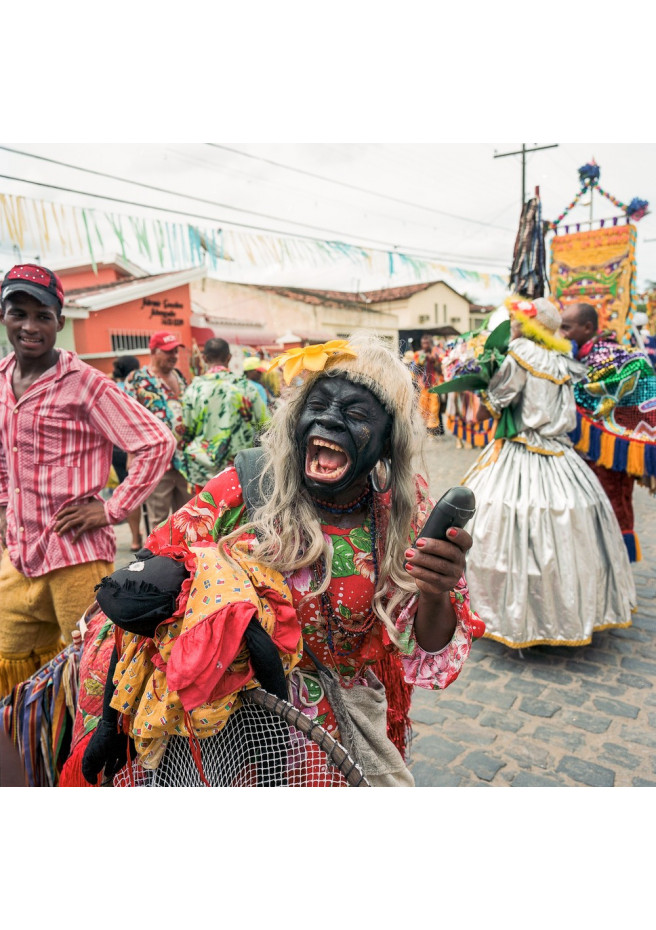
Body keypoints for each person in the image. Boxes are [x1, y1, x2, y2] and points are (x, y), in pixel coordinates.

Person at [80, 334, 482, 788]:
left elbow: (429, 643)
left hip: (346, 735)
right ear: (296, 417)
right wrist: (110, 724)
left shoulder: (403, 516)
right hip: (236, 733)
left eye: (354, 414)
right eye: (319, 405)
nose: (329, 419)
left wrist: (436, 590)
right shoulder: (241, 490)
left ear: (389, 440)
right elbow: (144, 589)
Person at [0, 264, 175, 697]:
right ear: (4, 315)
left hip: (74, 556)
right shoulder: (3, 379)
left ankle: (78, 761)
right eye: (18, 312)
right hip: (19, 555)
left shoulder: (85, 384)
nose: (29, 326)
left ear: (60, 321)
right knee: (12, 660)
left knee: (89, 672)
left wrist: (113, 508)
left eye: (43, 315)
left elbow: (157, 442)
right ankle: (31, 753)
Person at [462, 297, 636, 649]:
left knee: (497, 523)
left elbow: (488, 408)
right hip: (561, 458)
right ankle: (566, 613)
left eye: (517, 322)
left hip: (519, 452)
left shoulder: (520, 353)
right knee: (570, 533)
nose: (512, 326)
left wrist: (473, 391)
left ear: (530, 326)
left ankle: (509, 615)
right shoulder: (563, 362)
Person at [560, 302, 656, 561]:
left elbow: (640, 372)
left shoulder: (616, 355)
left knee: (615, 505)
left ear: (588, 327)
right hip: (582, 454)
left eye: (567, 327)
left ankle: (616, 566)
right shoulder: (574, 356)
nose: (562, 333)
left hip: (614, 453)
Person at [179, 338, 270, 491]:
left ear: (204, 358)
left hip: (203, 472)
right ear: (229, 358)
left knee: (206, 513)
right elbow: (266, 425)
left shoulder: (193, 390)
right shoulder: (246, 388)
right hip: (239, 472)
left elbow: (185, 431)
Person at [124, 331, 192, 529]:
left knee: (188, 519)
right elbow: (127, 419)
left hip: (184, 461)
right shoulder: (137, 379)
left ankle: (185, 559)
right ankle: (159, 559)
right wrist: (131, 454)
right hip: (157, 461)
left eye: (175, 351)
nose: (173, 356)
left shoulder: (179, 377)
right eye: (168, 351)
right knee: (159, 522)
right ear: (153, 351)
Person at [110, 355, 143, 551]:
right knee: (143, 491)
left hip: (117, 448)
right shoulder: (135, 388)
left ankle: (135, 539)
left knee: (130, 492)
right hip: (136, 446)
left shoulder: (112, 388)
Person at [409, 333, 444, 436]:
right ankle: (424, 428)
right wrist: (419, 362)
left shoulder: (437, 354)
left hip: (434, 385)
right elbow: (414, 371)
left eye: (427, 343)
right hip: (423, 385)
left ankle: (432, 430)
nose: (425, 345)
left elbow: (441, 370)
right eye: (423, 343)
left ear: (431, 343)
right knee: (423, 408)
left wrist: (434, 361)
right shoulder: (418, 354)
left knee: (434, 408)